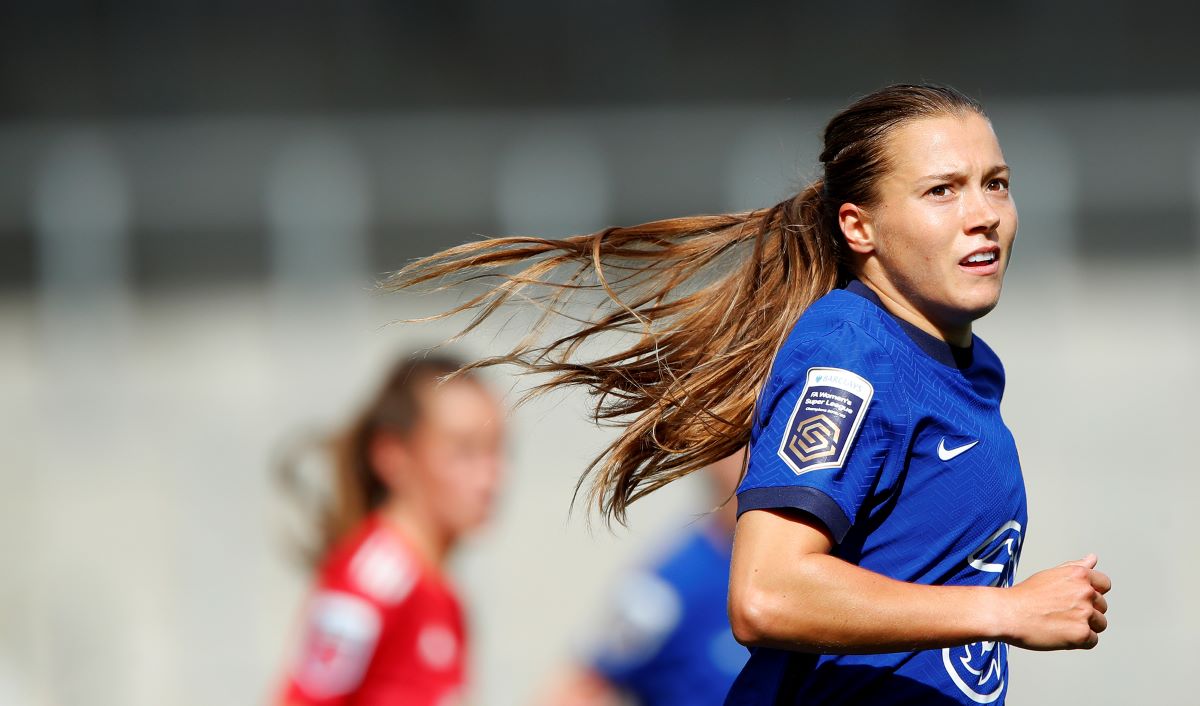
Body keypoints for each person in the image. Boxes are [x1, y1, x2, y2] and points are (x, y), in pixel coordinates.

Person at [386, 84, 1111, 704]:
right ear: (859, 226)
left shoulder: (964, 368)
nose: (982, 212)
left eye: (997, 182)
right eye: (941, 190)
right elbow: (767, 591)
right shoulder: (850, 354)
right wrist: (1003, 609)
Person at [274, 354, 505, 706]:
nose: (491, 477)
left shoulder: (441, 594)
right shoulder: (373, 581)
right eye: (464, 451)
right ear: (393, 455)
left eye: (497, 450)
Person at [538, 451, 749, 706]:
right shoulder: (664, 589)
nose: (756, 458)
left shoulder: (800, 574)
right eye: (742, 444)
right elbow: (578, 690)